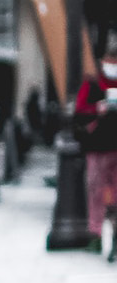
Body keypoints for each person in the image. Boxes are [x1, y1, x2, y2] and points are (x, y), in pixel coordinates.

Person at [75, 43, 117, 251]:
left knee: (112, 191)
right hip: (98, 147)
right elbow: (80, 111)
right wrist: (97, 110)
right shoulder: (93, 84)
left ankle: (111, 231)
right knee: (96, 190)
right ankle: (96, 233)